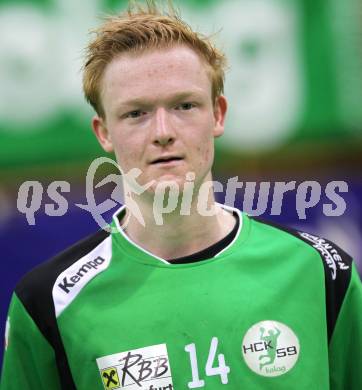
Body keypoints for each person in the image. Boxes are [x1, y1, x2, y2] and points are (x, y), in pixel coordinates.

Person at [1, 1, 361, 389]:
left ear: (218, 114)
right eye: (136, 113)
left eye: (184, 105)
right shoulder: (48, 302)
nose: (162, 131)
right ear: (103, 132)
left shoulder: (321, 272)